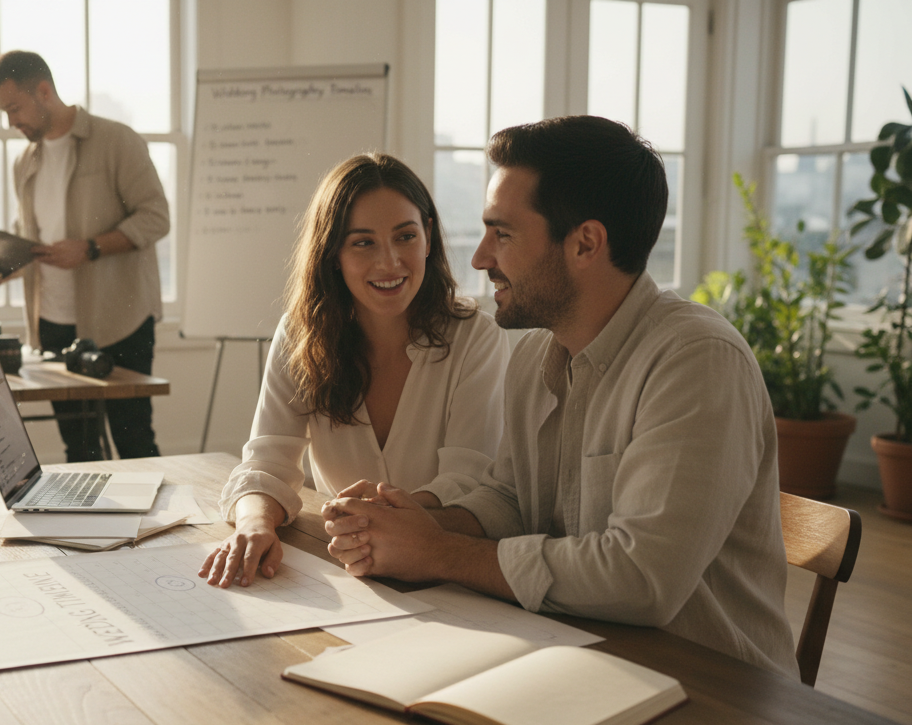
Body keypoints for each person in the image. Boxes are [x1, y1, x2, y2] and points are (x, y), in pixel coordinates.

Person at [323, 116, 799, 677]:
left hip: (712, 695)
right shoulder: (532, 357)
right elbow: (510, 500)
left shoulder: (697, 360)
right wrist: (415, 517)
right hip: (580, 658)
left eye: (502, 234)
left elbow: (641, 578)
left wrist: (439, 552)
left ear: (585, 243)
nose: (478, 258)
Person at [199, 153, 509, 589]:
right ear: (333, 253)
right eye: (363, 242)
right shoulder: (302, 333)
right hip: (346, 574)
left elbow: (469, 483)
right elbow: (267, 464)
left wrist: (378, 517)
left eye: (405, 236)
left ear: (428, 236)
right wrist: (255, 523)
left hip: (445, 573)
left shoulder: (476, 337)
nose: (389, 262)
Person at [0, 50, 170, 461]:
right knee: (78, 450)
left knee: (134, 443)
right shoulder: (25, 161)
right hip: (53, 325)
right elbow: (32, 240)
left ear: (44, 91)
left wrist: (90, 248)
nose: (11, 122)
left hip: (120, 319)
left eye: (14, 108)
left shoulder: (117, 140)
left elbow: (156, 218)